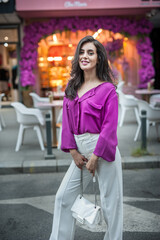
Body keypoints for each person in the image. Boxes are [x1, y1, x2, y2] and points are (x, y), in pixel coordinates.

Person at [49, 35, 123, 240]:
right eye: (82, 52)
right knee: (63, 197)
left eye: (90, 52)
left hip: (103, 150)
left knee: (111, 204)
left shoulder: (108, 90)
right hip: (79, 151)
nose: (85, 56)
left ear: (99, 58)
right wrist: (73, 151)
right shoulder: (72, 87)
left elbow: (109, 127)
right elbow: (67, 122)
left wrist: (96, 157)